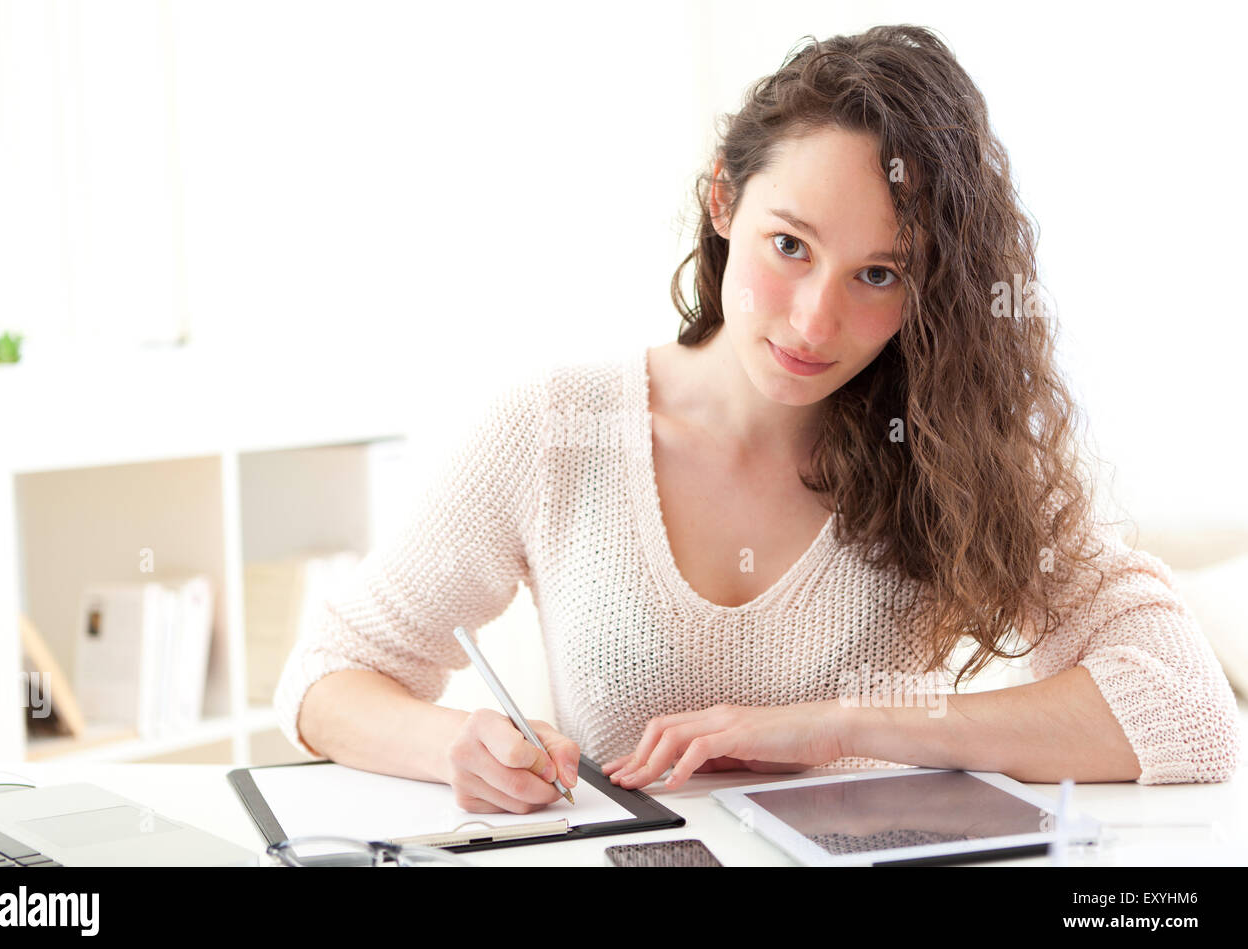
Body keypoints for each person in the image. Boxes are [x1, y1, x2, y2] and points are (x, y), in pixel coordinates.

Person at [274, 25, 1241, 814]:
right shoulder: (556, 429)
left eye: (879, 274)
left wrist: (842, 726)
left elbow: (1188, 711)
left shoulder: (947, 445)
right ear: (724, 202)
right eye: (791, 245)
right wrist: (456, 746)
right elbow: (328, 676)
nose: (818, 322)